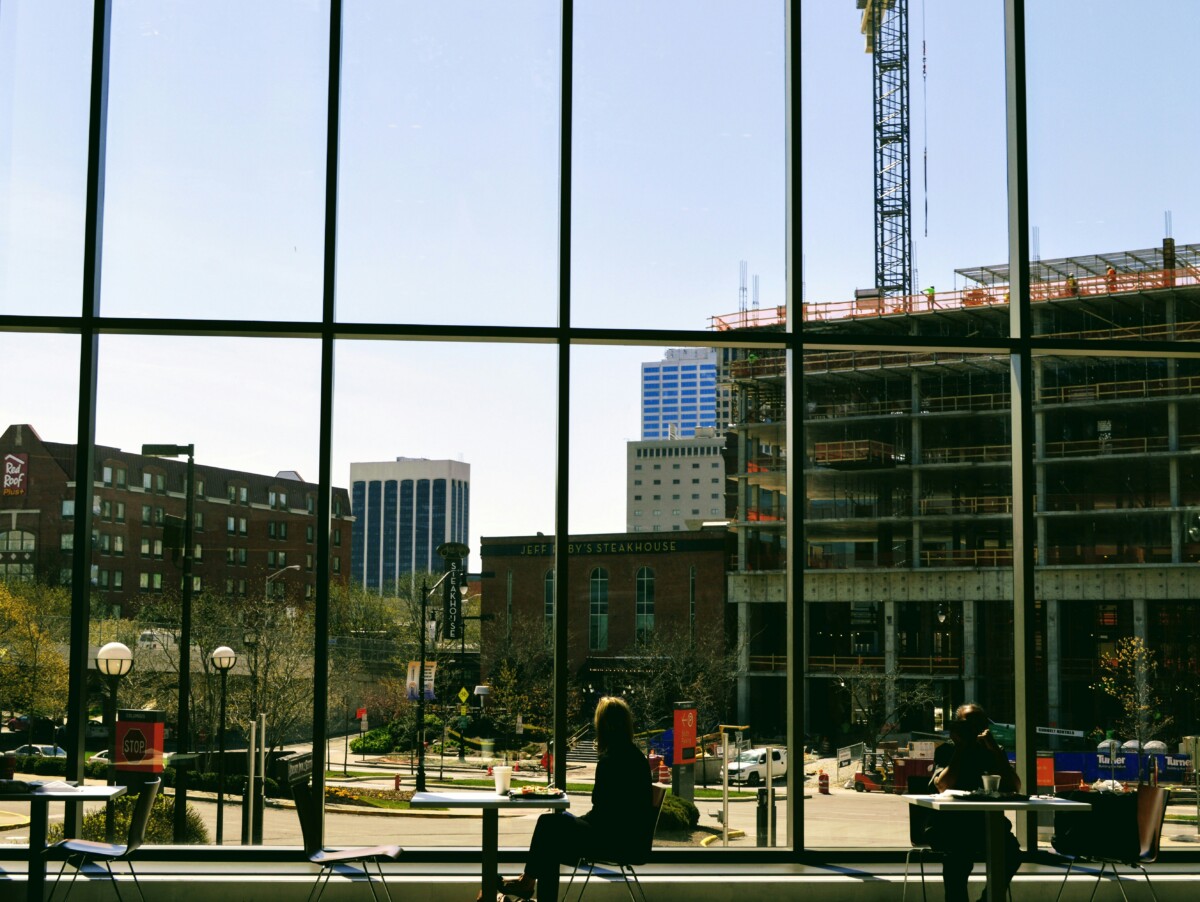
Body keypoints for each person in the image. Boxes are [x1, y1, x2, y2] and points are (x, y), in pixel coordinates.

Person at [497, 696, 651, 901]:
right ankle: (529, 883)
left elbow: (603, 814)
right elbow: (611, 811)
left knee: (548, 826)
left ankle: (528, 882)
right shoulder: (634, 757)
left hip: (614, 842)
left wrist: (576, 822)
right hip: (630, 841)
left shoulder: (611, 761)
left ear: (604, 726)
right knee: (551, 836)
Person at [929, 703, 1022, 902]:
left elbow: (1015, 786)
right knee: (957, 859)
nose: (974, 728)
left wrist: (995, 750)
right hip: (955, 825)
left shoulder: (994, 751)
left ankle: (988, 899)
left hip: (989, 825)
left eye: (979, 723)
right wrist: (962, 748)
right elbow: (942, 785)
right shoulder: (948, 751)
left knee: (1012, 854)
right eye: (967, 724)